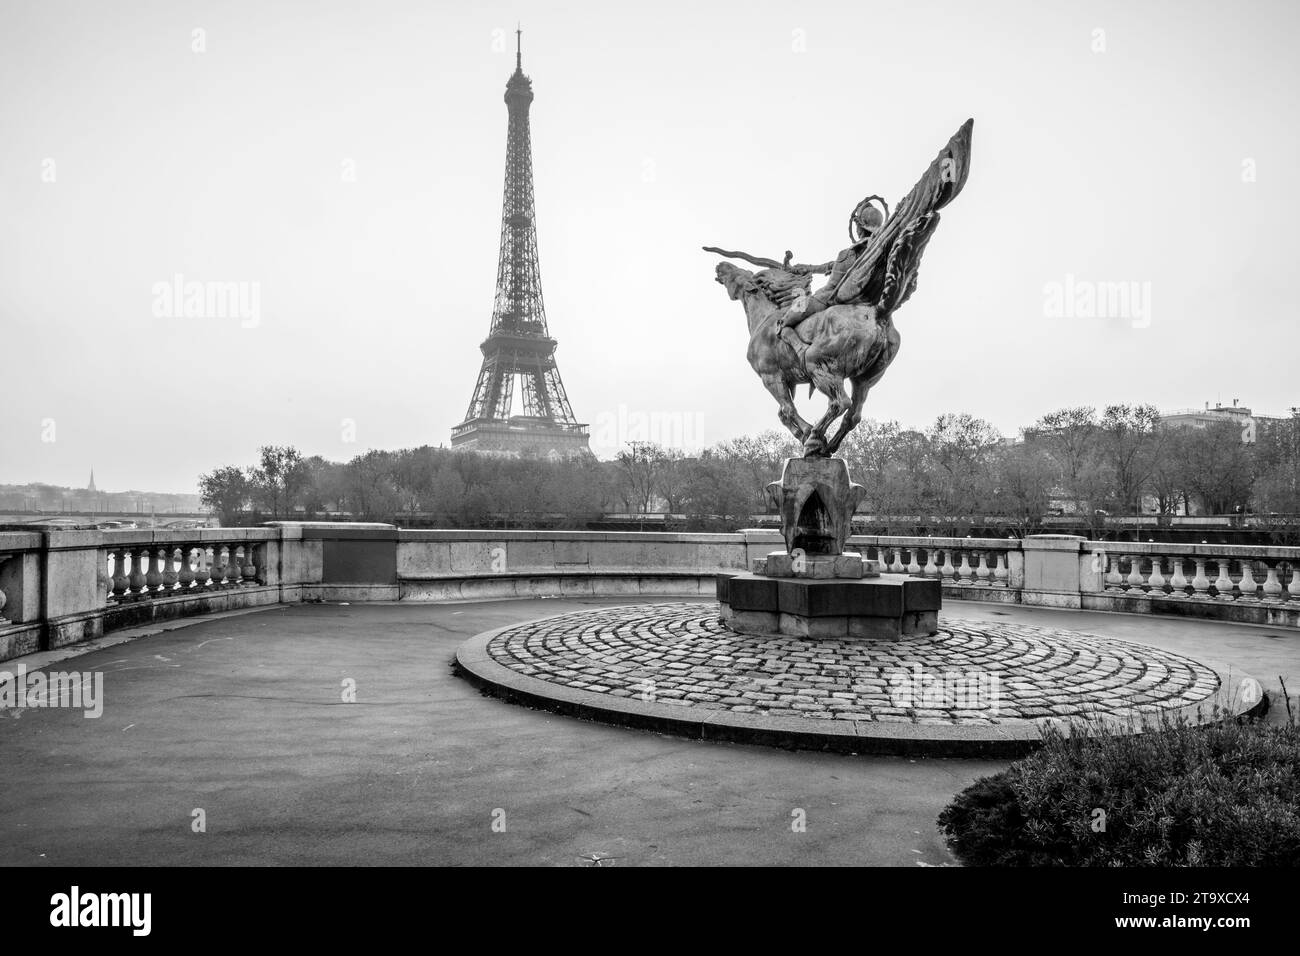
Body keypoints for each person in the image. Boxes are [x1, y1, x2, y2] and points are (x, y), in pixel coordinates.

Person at [778, 196, 887, 361]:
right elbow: (826, 267)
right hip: (858, 301)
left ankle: (799, 349)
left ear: (860, 226)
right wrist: (804, 268)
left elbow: (826, 267)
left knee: (785, 321)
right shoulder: (876, 255)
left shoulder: (846, 254)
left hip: (824, 299)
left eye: (858, 226)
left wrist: (802, 269)